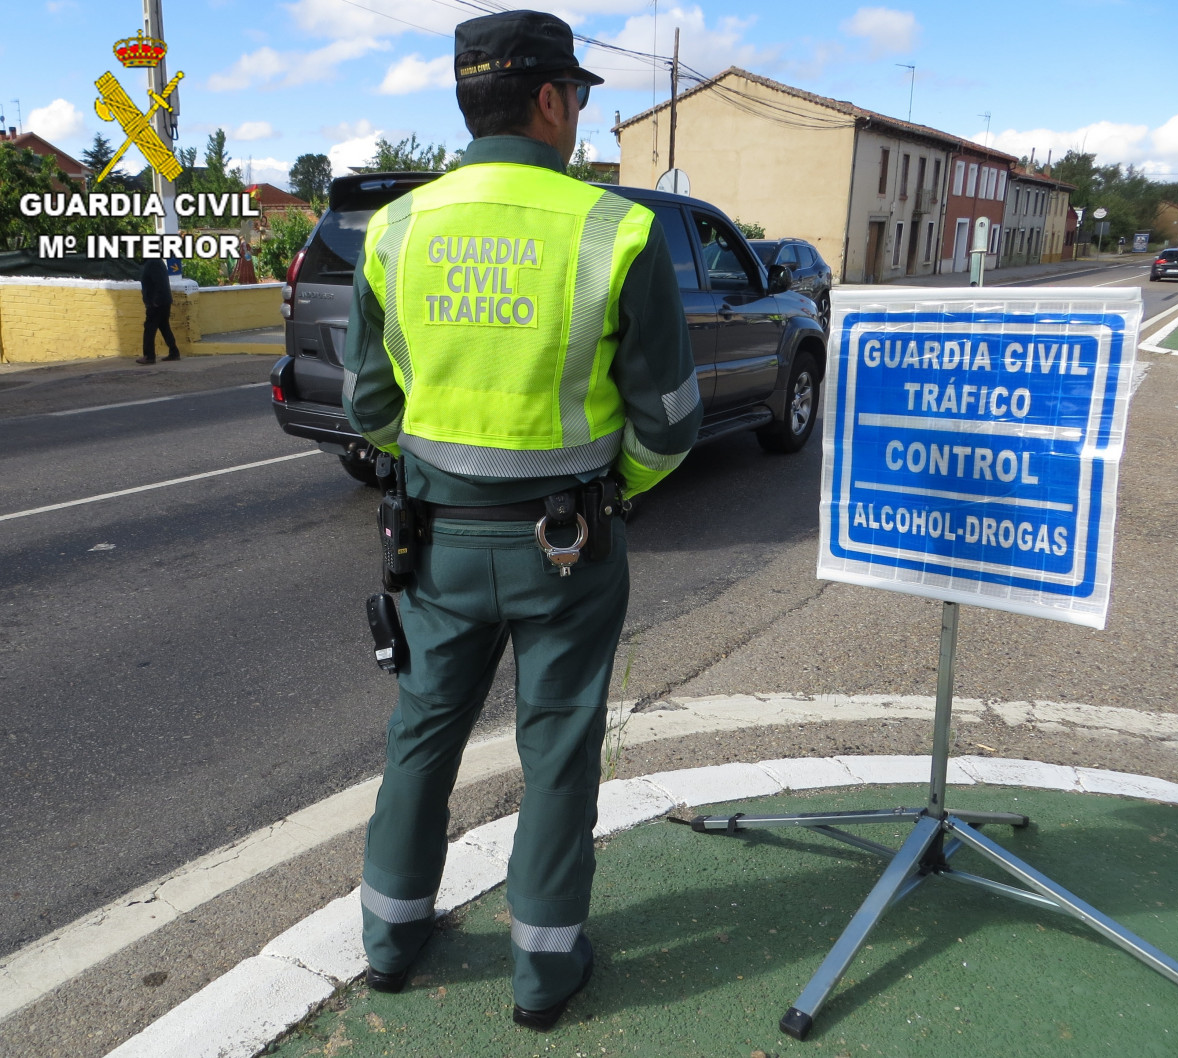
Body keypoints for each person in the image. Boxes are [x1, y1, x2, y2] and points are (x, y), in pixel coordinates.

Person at [342, 8, 700, 1032]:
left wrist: (439, 466)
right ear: (548, 100)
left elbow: (371, 408)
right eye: (579, 97)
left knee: (420, 733)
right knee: (558, 746)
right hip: (569, 543)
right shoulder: (615, 229)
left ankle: (390, 940)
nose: (581, 115)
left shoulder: (396, 230)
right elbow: (669, 421)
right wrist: (610, 484)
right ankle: (543, 973)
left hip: (436, 541)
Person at [136, 255, 180, 364]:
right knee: (164, 327)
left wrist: (156, 300)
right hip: (162, 301)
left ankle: (149, 356)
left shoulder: (153, 262)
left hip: (157, 303)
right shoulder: (156, 261)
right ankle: (174, 352)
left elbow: (159, 283)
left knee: (149, 328)